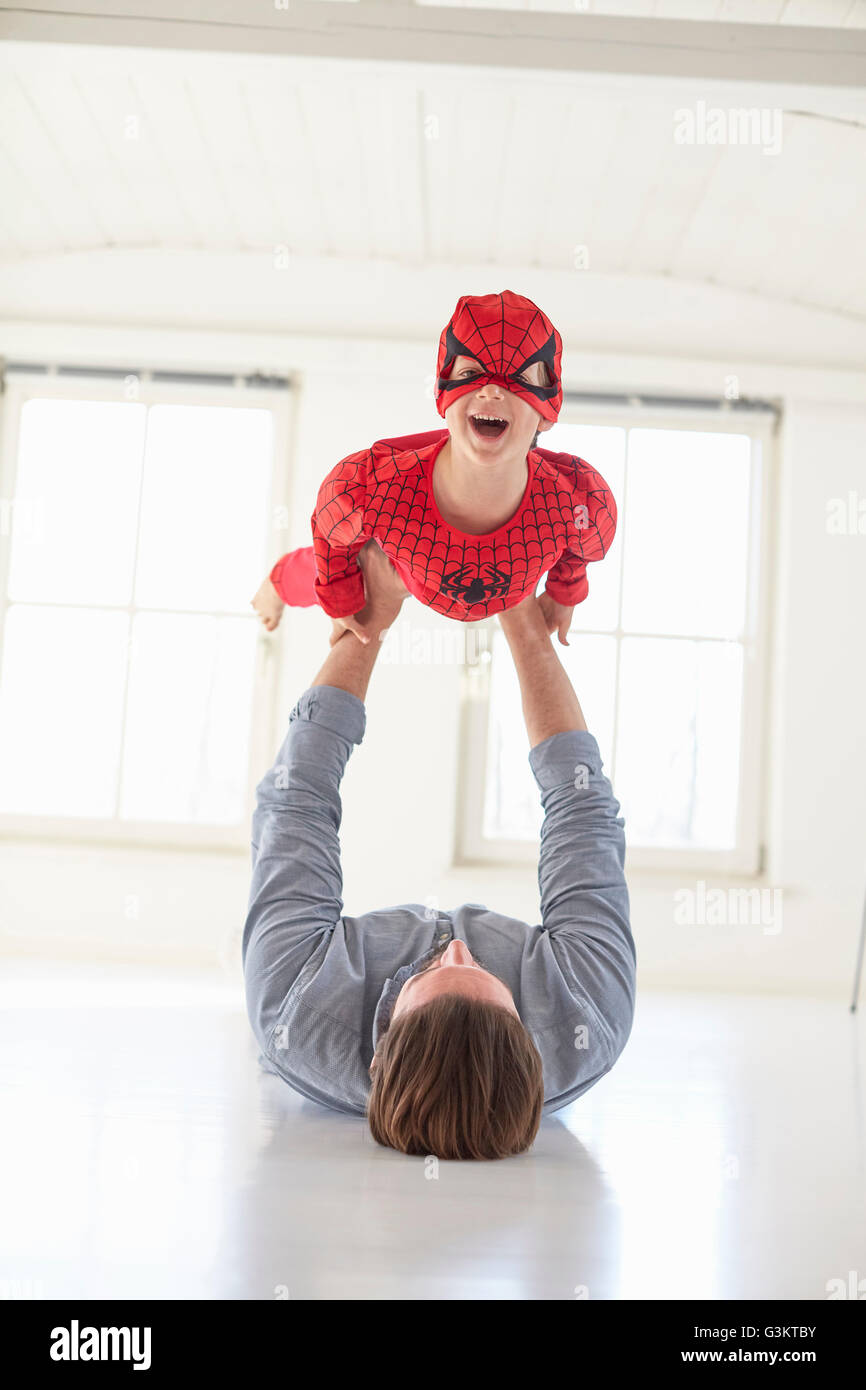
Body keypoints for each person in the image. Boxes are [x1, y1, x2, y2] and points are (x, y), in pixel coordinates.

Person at [242, 540, 636, 1161]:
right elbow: (581, 811)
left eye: (428, 975)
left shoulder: (300, 1004)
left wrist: (369, 619)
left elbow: (297, 800)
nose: (457, 946)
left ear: (384, 1035)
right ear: (529, 1036)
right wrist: (522, 622)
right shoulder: (586, 1020)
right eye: (485, 974)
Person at [250, 289, 616, 648]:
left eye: (519, 379)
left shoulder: (578, 502)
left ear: (547, 410)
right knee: (338, 567)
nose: (491, 391)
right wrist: (339, 599)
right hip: (402, 563)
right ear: (443, 393)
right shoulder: (372, 492)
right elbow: (331, 536)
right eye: (472, 372)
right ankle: (277, 582)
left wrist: (565, 590)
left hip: (515, 573)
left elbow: (580, 549)